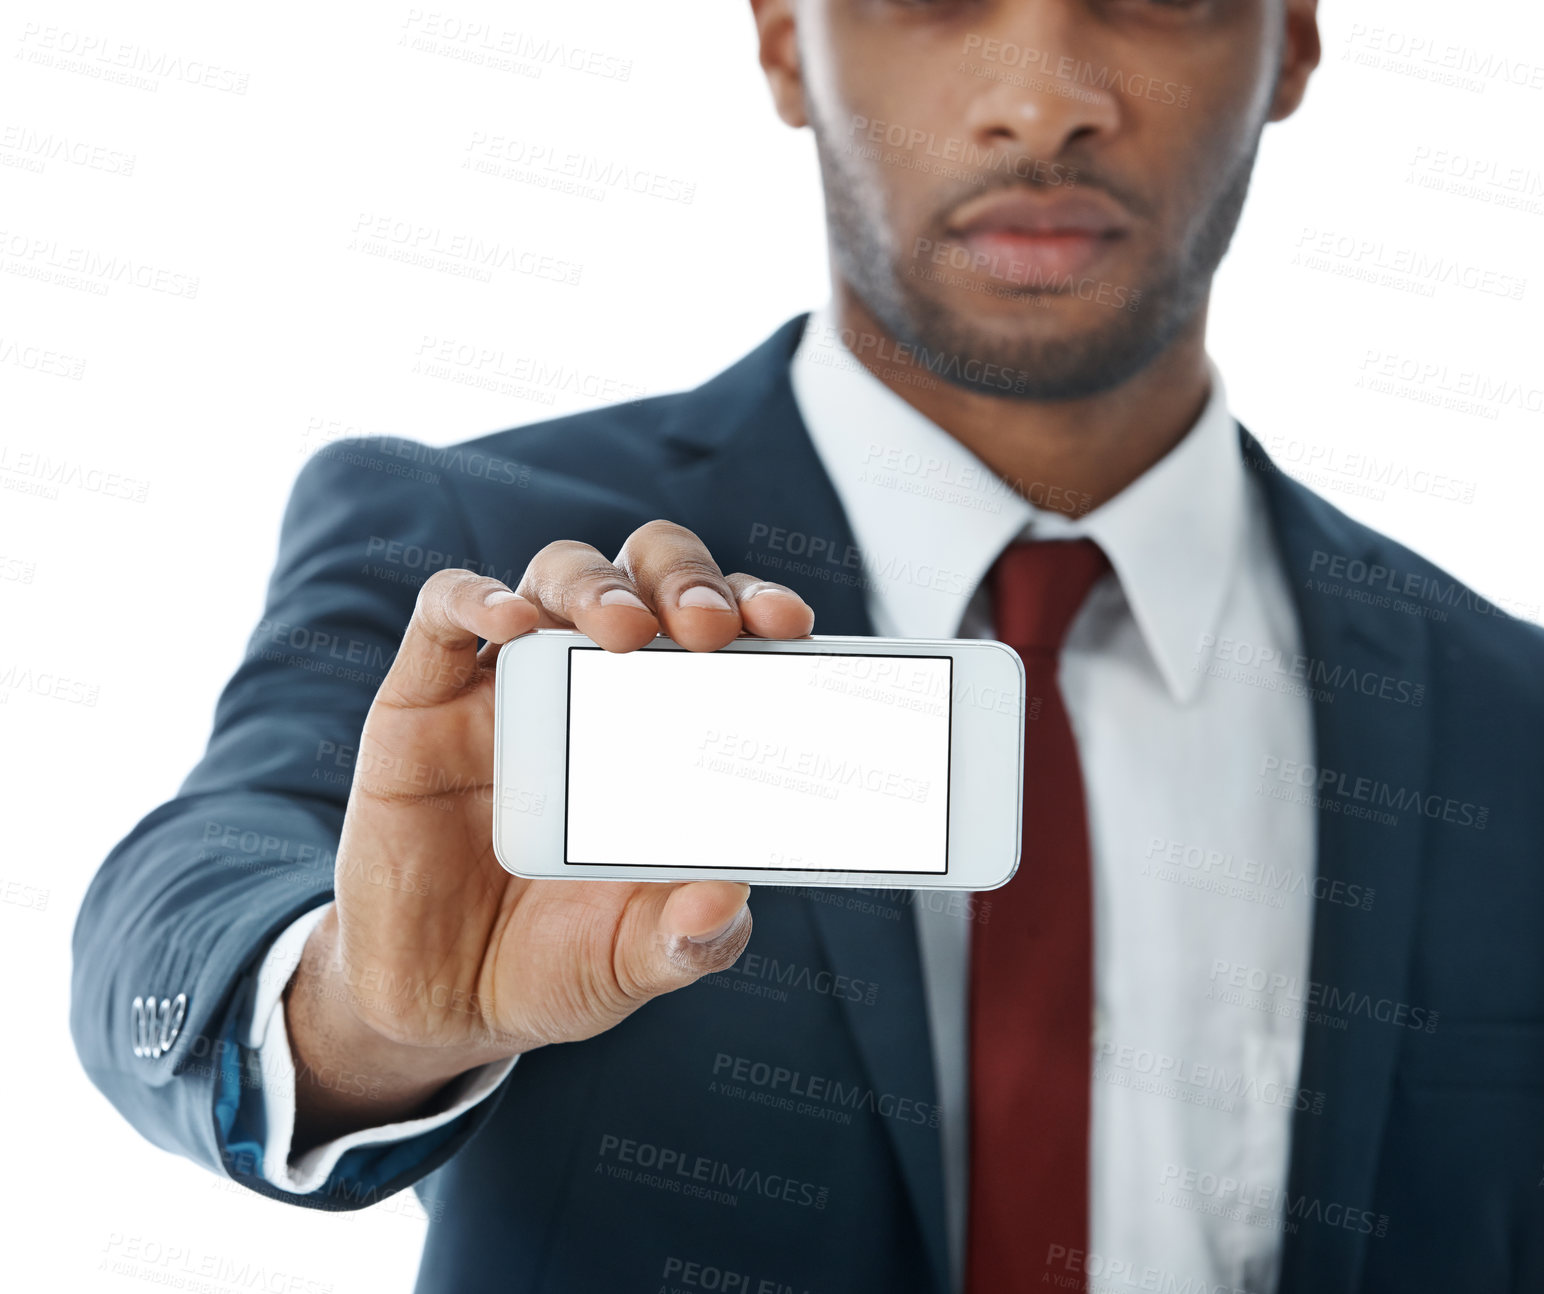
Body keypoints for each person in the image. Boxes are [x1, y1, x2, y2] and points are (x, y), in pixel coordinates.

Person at [73, 3, 1544, 1292]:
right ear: (785, 34)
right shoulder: (476, 557)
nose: (1042, 93)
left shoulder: (1511, 723)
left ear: (1291, 35)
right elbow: (190, 890)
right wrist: (362, 1005)